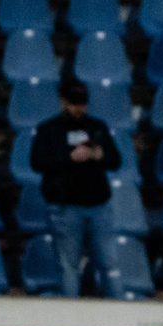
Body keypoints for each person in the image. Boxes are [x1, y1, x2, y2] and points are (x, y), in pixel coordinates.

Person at [27, 79, 122, 301]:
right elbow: (37, 162)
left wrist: (100, 155)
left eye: (83, 104)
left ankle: (120, 313)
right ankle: (70, 317)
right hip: (65, 207)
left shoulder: (97, 127)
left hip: (99, 206)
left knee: (109, 263)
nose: (80, 109)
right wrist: (69, 158)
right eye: (74, 104)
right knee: (69, 267)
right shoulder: (48, 130)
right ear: (63, 102)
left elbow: (116, 160)